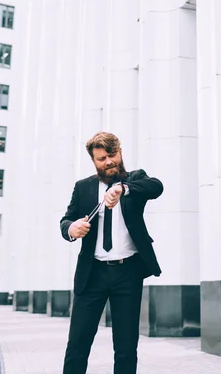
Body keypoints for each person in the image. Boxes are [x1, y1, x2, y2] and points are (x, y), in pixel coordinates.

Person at [60, 132, 163, 374]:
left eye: (112, 155)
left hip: (128, 273)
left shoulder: (135, 179)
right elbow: (66, 220)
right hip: (92, 273)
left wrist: (123, 189)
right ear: (94, 161)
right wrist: (72, 229)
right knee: (77, 345)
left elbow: (156, 187)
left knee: (126, 347)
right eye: (101, 158)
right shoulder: (83, 187)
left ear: (120, 152)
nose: (108, 162)